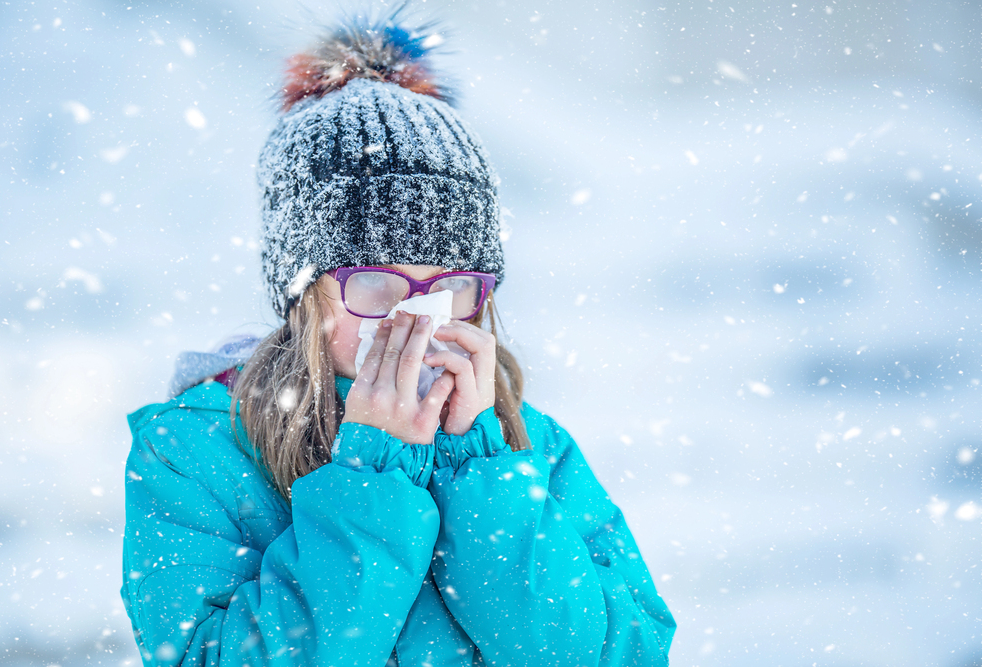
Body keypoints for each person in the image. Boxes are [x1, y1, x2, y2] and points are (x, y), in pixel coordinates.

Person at [121, 11, 675, 667]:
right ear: (303, 295)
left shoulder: (529, 447)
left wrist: (480, 475)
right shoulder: (196, 449)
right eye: (377, 284)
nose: (415, 318)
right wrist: (372, 477)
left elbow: (623, 654)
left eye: (450, 287)